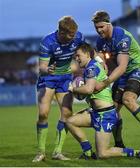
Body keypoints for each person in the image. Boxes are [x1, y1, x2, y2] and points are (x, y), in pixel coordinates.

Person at [91, 11, 140, 150]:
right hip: (123, 73)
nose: (99, 30)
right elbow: (102, 62)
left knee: (128, 99)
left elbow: (122, 66)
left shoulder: (121, 36)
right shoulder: (100, 41)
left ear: (108, 23)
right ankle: (119, 144)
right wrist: (98, 67)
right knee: (111, 109)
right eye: (96, 27)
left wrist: (105, 82)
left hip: (139, 68)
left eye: (101, 27)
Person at [67, 43, 140, 159]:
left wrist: (73, 89)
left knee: (103, 153)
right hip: (95, 112)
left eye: (78, 56)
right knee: (70, 122)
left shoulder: (91, 68)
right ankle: (88, 152)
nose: (76, 58)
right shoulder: (93, 65)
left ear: (86, 54)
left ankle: (136, 153)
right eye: (75, 56)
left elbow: (89, 89)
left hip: (105, 115)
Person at [32, 16, 85, 162]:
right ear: (61, 33)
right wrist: (47, 69)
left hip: (65, 78)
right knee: (43, 114)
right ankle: (41, 152)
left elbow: (85, 52)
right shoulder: (47, 42)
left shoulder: (77, 37)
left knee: (67, 114)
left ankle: (57, 151)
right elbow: (41, 67)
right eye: (69, 37)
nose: (72, 39)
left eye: (74, 36)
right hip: (48, 79)